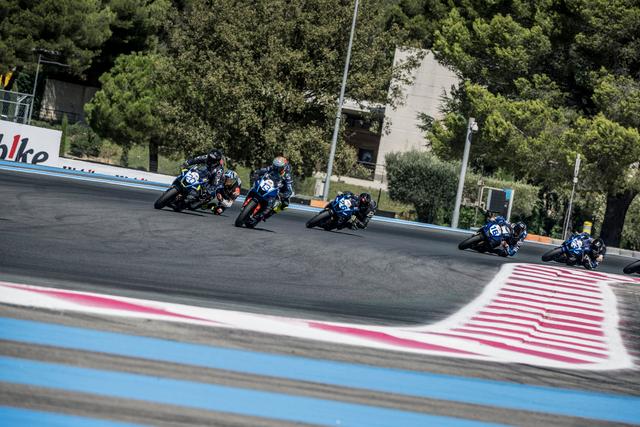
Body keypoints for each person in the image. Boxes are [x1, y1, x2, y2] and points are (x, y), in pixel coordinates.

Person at [252, 156, 294, 220]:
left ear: (283, 167)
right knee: (256, 185)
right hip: (269, 183)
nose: (276, 168)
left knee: (285, 204)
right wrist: (257, 173)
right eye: (275, 166)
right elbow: (263, 170)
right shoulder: (272, 167)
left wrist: (284, 195)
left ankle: (270, 213)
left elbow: (289, 189)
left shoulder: (287, 175)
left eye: (278, 168)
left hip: (281, 189)